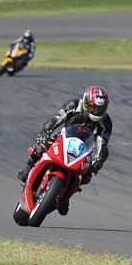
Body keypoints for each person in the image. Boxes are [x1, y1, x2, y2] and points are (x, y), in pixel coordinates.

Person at [17, 86, 112, 215]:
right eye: (94, 107)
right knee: (41, 146)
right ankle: (28, 168)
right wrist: (45, 132)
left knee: (87, 174)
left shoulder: (106, 122)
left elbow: (103, 145)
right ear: (85, 102)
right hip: (64, 138)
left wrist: (98, 161)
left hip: (83, 149)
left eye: (100, 109)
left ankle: (66, 194)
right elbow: (55, 119)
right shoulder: (73, 105)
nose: (96, 111)